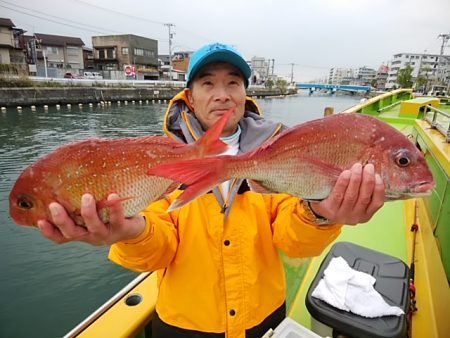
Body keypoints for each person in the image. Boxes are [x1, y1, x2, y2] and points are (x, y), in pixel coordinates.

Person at [37, 42, 385, 338]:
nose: (222, 94)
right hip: (185, 323)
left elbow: (291, 240)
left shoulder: (279, 149)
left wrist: (320, 214)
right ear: (189, 96)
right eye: (208, 83)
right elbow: (159, 249)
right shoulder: (161, 157)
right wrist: (130, 233)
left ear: (245, 92)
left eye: (233, 82)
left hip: (262, 316)